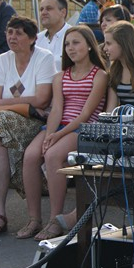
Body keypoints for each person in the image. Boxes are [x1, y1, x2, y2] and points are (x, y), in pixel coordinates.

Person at [22, 26, 107, 240]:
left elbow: (86, 113)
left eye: (76, 43)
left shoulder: (99, 75)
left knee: (52, 155)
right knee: (31, 155)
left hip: (83, 127)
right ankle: (34, 218)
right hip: (60, 125)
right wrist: (49, 134)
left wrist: (57, 136)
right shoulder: (61, 76)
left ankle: (55, 219)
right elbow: (57, 109)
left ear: (89, 46)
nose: (70, 48)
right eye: (67, 44)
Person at [0, 17, 55, 238]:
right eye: (9, 32)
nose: (12, 37)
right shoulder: (2, 60)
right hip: (4, 123)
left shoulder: (44, 58)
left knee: (0, 119)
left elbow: (42, 99)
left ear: (32, 38)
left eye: (18, 33)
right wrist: (24, 105)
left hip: (35, 122)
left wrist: (4, 104)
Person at [103, 20, 134, 111]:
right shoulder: (114, 71)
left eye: (109, 43)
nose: (104, 48)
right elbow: (111, 108)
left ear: (123, 44)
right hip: (121, 117)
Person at [37, 0, 72, 71]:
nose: (43, 12)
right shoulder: (37, 39)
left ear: (63, 12)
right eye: (41, 9)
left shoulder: (75, 37)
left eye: (49, 9)